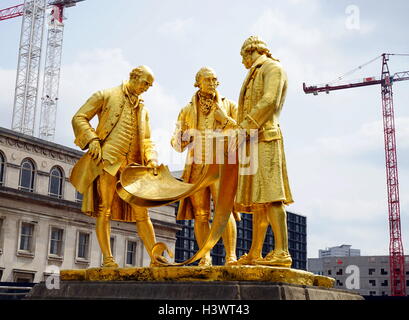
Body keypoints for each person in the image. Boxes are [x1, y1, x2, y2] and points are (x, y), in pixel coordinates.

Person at [70, 66, 161, 268]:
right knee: (105, 209)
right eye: (145, 82)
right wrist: (92, 139)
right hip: (108, 161)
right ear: (134, 77)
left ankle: (156, 259)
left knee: (143, 213)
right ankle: (108, 259)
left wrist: (152, 158)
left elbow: (147, 140)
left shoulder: (144, 110)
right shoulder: (106, 94)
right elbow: (79, 117)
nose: (147, 88)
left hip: (134, 167)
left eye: (149, 85)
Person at [233, 36, 294, 267]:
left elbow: (270, 101)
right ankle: (255, 254)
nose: (242, 62)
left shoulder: (272, 67)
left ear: (252, 51)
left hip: (266, 137)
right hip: (253, 141)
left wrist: (244, 126)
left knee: (272, 195)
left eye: (243, 56)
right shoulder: (254, 73)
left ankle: (282, 252)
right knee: (260, 201)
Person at [171, 67, 239, 266]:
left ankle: (231, 256)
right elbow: (176, 145)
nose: (212, 83)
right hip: (196, 168)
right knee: (200, 215)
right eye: (207, 80)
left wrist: (224, 119)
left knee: (224, 210)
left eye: (215, 80)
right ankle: (204, 257)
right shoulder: (186, 110)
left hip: (220, 166)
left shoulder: (229, 105)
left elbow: (244, 132)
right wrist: (183, 137)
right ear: (198, 83)